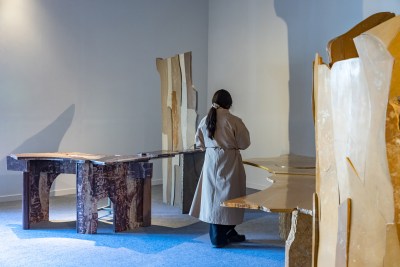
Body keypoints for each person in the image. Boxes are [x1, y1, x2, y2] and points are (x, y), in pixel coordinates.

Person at [189, 89, 251, 248]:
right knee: (230, 196)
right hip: (229, 160)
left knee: (213, 198)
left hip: (211, 160)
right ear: (229, 103)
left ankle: (227, 232)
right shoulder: (234, 120)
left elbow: (199, 144)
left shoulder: (205, 120)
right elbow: (244, 143)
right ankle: (220, 236)